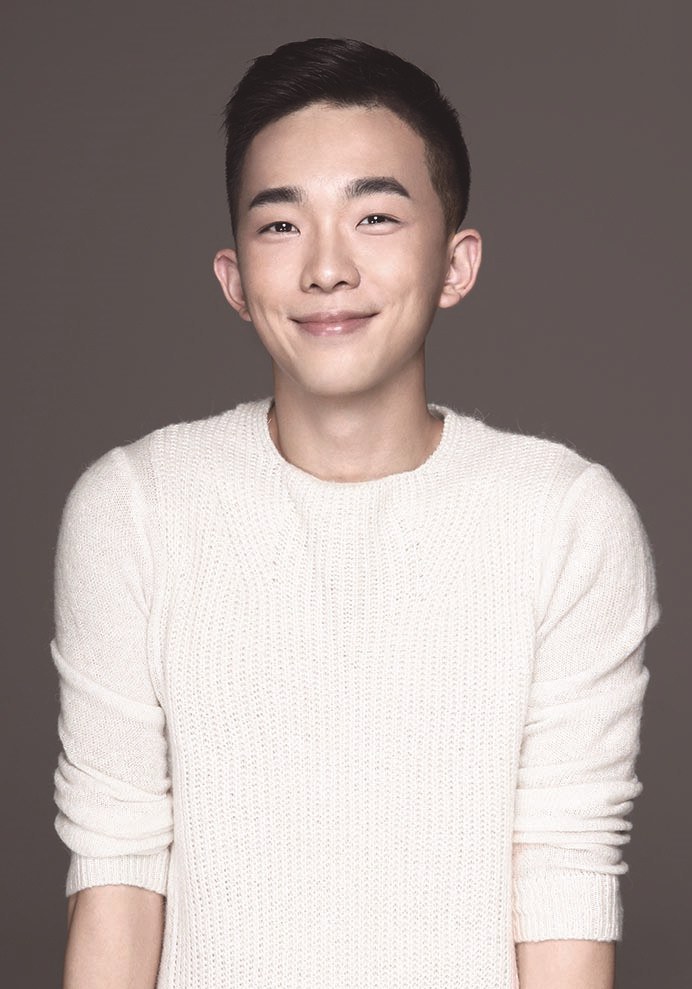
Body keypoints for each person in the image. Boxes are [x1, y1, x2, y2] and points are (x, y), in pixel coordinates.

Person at [51, 37, 661, 989]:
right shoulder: (134, 509)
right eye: (281, 225)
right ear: (233, 278)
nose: (326, 267)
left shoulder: (566, 522)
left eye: (374, 216)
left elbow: (563, 883)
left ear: (455, 263)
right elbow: (117, 875)